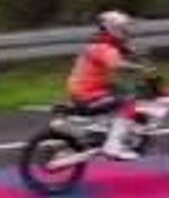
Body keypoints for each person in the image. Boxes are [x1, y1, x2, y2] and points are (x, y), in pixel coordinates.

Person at [64, 9, 151, 160]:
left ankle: (104, 129)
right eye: (122, 28)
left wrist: (135, 54)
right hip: (87, 93)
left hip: (85, 89)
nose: (126, 31)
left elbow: (123, 52)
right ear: (112, 28)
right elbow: (116, 64)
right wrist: (140, 68)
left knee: (121, 89)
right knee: (128, 102)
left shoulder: (101, 42)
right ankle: (113, 148)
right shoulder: (104, 47)